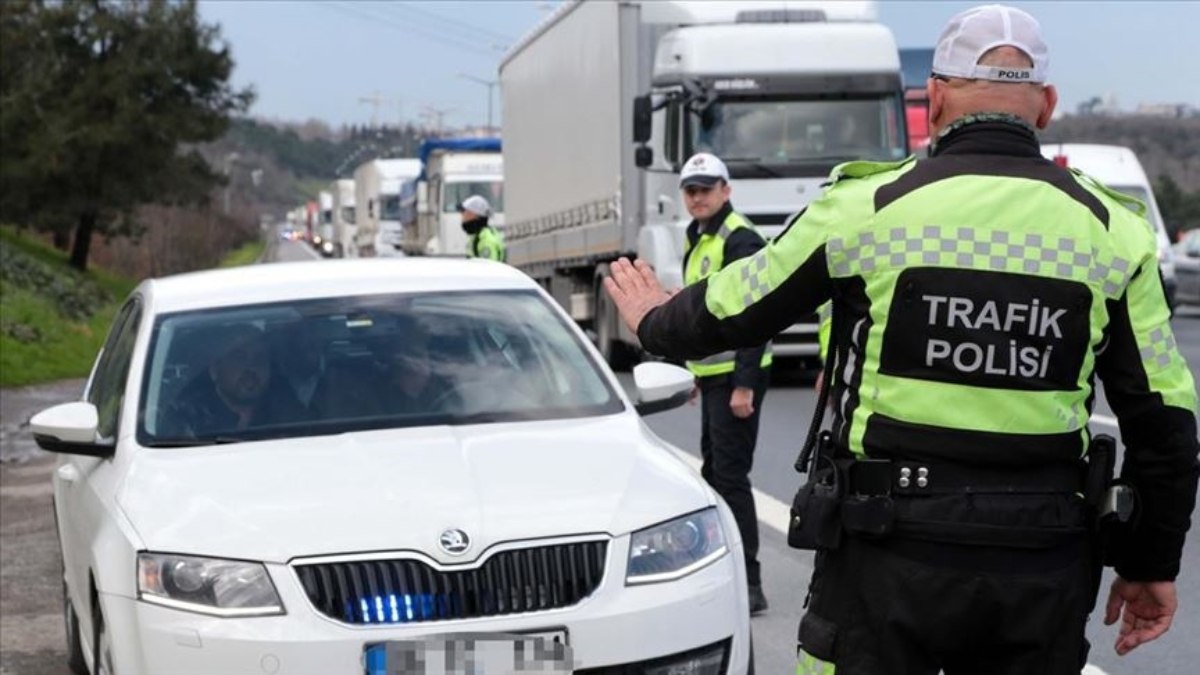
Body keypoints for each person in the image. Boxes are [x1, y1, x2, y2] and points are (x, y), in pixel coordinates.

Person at [604, 5, 1199, 674]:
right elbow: (1167, 421)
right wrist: (1151, 560)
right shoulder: (1113, 231)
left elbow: (737, 307)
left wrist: (655, 319)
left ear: (935, 98)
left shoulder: (866, 208)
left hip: (885, 553)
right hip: (1040, 564)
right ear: (1046, 105)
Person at [676, 152, 774, 615]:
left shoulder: (741, 239)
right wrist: (693, 373)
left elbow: (755, 316)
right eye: (691, 190)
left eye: (706, 189)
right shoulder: (698, 239)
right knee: (714, 476)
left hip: (736, 378)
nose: (697, 197)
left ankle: (750, 584)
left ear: (726, 191)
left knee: (731, 480)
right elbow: (702, 314)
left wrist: (745, 385)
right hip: (713, 376)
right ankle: (728, 572)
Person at [161, 323, 304, 437]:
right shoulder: (187, 416)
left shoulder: (287, 410)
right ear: (215, 369)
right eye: (240, 357)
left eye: (260, 358)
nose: (251, 367)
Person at [459, 194, 505, 262]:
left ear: (475, 215)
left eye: (465, 212)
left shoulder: (485, 241)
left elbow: (489, 269)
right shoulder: (478, 236)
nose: (462, 216)